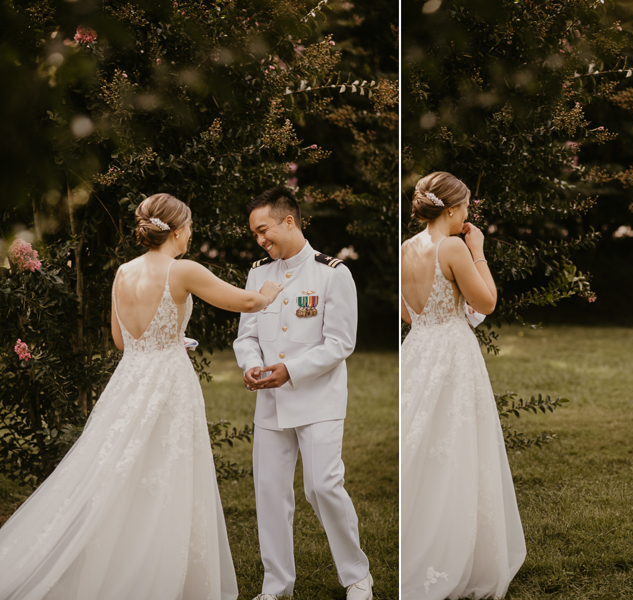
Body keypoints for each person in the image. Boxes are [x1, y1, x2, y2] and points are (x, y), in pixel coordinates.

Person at [0, 193, 284, 599]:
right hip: (168, 383)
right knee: (167, 471)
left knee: (119, 470)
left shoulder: (122, 273)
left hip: (129, 379)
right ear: (177, 229)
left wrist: (168, 338)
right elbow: (246, 301)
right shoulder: (181, 269)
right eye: (189, 227)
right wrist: (270, 291)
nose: (190, 235)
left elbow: (121, 340)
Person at [233, 188, 372, 600]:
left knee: (322, 486)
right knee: (271, 493)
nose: (260, 240)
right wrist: (250, 365)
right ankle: (277, 587)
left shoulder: (332, 273)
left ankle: (357, 576)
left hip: (318, 400)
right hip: (270, 404)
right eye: (256, 234)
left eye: (264, 230)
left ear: (288, 221)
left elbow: (340, 343)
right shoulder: (258, 274)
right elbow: (246, 335)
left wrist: (290, 370)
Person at [400, 172, 526, 600]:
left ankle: (422, 542)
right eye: (467, 207)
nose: (469, 215)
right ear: (452, 209)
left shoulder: (406, 248)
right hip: (453, 352)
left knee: (424, 444)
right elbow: (487, 301)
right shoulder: (453, 246)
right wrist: (479, 252)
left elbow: (408, 312)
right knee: (458, 444)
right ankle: (456, 553)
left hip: (418, 349)